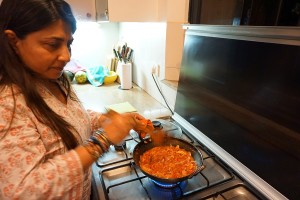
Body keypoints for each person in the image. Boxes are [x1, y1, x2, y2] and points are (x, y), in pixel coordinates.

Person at [0, 0, 154, 199]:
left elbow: (70, 119)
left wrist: (105, 120)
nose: (65, 55)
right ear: (13, 41)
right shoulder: (6, 104)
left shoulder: (51, 79)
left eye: (68, 44)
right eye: (52, 44)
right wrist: (103, 139)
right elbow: (23, 192)